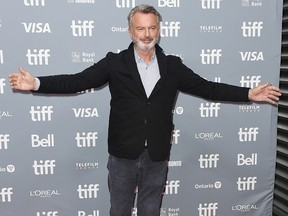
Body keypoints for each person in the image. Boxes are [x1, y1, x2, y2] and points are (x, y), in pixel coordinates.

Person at [9, 4, 281, 216]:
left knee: (151, 210)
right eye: (140, 29)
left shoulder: (172, 65)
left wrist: (247, 93)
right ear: (130, 31)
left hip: (157, 155)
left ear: (159, 30)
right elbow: (78, 81)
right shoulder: (114, 63)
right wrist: (36, 82)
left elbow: (207, 88)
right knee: (119, 210)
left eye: (152, 28)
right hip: (123, 155)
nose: (147, 34)